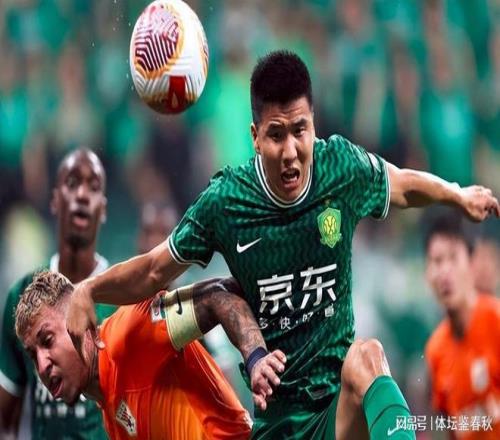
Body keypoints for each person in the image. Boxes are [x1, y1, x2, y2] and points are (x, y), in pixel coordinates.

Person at [66, 51, 499, 439]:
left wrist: (457, 195)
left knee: (368, 356)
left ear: (314, 125)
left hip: (336, 411)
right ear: (255, 136)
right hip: (278, 423)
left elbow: (401, 185)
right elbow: (152, 270)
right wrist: (89, 289)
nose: (291, 150)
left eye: (300, 130)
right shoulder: (226, 203)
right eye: (276, 135)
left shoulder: (340, 168)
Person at [16, 271, 286, 439]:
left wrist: (256, 358)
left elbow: (220, 295)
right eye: (32, 355)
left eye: (47, 341)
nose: (42, 364)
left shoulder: (129, 333)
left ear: (82, 324)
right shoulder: (109, 412)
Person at [0, 148, 115, 439]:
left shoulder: (122, 297)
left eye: (94, 187)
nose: (82, 195)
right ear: (54, 200)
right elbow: (5, 417)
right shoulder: (21, 296)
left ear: (103, 209)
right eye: (72, 183)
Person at [424, 210, 499, 439]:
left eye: (453, 258)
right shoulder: (435, 351)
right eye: (437, 261)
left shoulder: (496, 321)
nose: (445, 272)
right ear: (427, 273)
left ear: (472, 263)